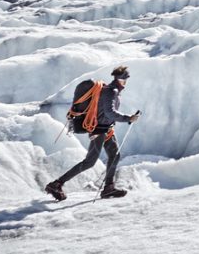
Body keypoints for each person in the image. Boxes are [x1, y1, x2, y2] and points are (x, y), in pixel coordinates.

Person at [47, 65, 140, 200]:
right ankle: (56, 184)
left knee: (114, 155)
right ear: (120, 79)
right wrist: (128, 118)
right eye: (125, 78)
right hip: (99, 130)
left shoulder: (111, 90)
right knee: (89, 162)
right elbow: (109, 112)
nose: (126, 81)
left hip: (106, 128)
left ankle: (109, 188)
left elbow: (106, 113)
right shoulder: (111, 91)